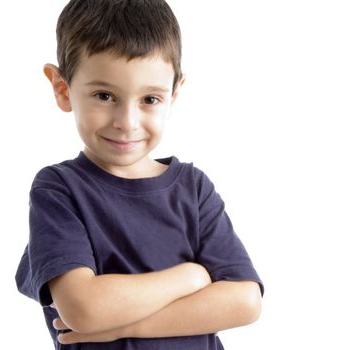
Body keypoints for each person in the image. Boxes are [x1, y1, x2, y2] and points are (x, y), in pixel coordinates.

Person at [15, 0, 264, 349]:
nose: (127, 122)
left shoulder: (193, 190)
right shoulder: (59, 190)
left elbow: (245, 302)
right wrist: (191, 276)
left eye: (149, 99)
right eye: (104, 95)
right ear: (62, 88)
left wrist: (121, 327)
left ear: (174, 92)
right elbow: (84, 308)